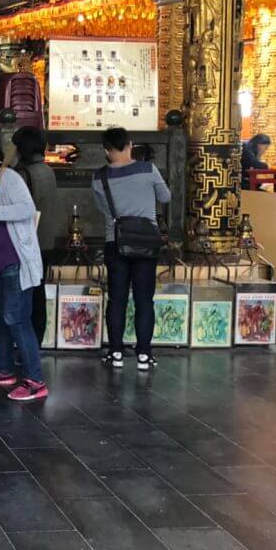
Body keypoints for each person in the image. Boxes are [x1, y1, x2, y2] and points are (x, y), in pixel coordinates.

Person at [0, 142, 49, 401]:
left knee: (17, 318)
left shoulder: (8, 178)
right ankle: (3, 369)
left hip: (14, 262)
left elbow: (27, 209)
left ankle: (35, 381)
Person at [93, 127, 171, 372]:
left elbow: (103, 209)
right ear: (130, 144)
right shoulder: (148, 169)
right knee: (144, 300)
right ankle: (144, 355)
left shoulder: (99, 177)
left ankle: (115, 352)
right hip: (146, 242)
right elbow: (165, 197)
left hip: (115, 242)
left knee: (117, 299)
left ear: (106, 150)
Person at [12, 126, 60, 346]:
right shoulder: (48, 171)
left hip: (28, 243)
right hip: (46, 241)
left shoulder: (24, 175)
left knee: (24, 294)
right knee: (37, 291)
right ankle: (36, 341)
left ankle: (26, 344)